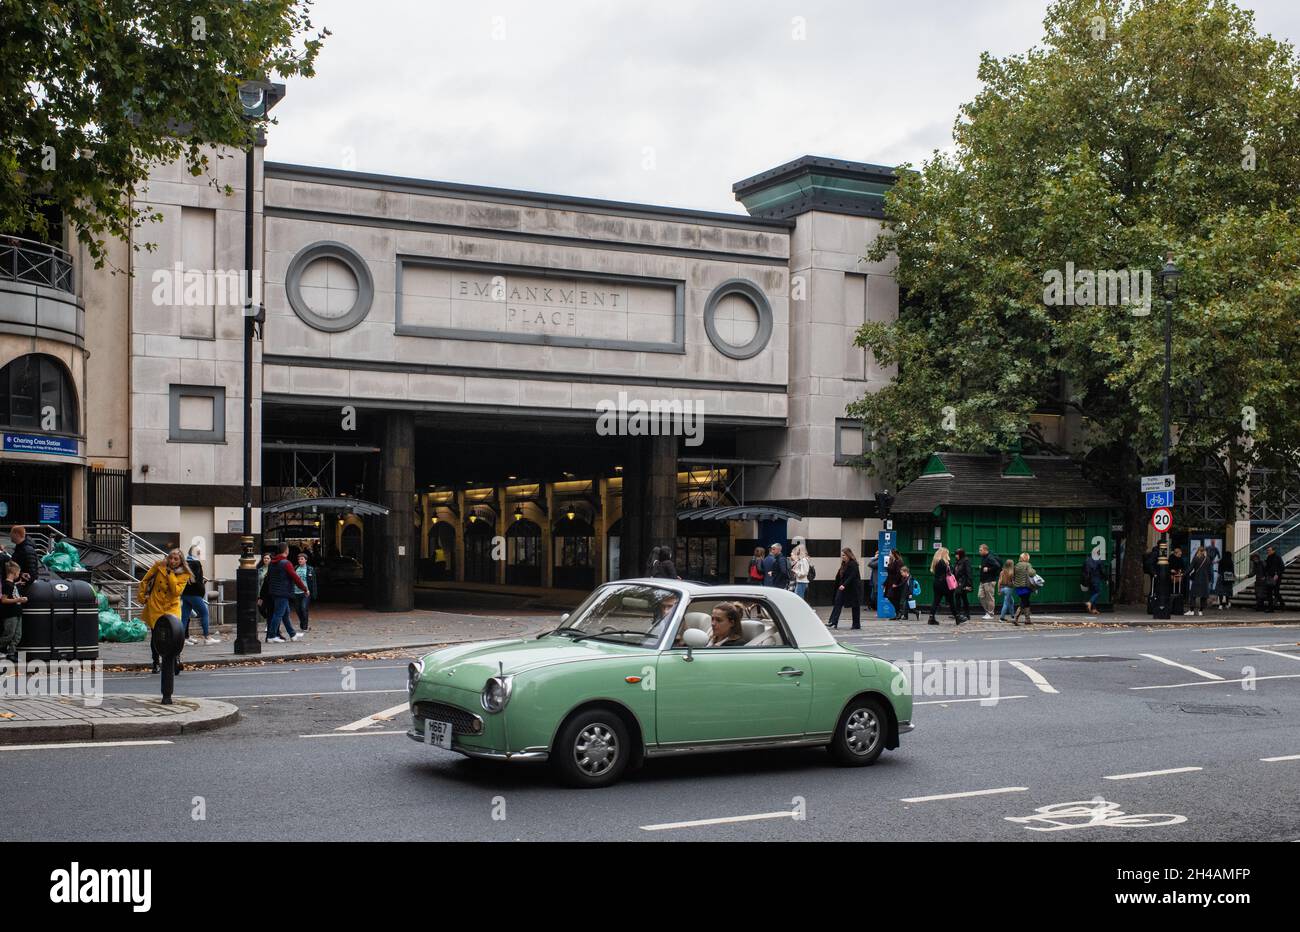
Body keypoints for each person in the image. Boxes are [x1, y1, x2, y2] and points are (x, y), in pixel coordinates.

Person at [138, 549, 192, 674]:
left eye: (176, 559)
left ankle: (176, 659)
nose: (172, 561)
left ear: (181, 561)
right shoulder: (159, 566)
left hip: (172, 606)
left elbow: (176, 591)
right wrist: (142, 597)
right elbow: (145, 580)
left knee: (176, 634)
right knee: (156, 635)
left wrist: (170, 574)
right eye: (170, 558)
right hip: (155, 604)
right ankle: (155, 663)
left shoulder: (184, 574)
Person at [258, 543, 309, 642]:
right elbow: (295, 577)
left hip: (273, 592)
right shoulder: (286, 563)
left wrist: (262, 595)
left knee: (285, 614)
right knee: (278, 614)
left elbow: (267, 579)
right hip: (283, 592)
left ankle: (292, 635)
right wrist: (305, 589)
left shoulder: (272, 563)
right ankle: (271, 636)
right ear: (286, 550)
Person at [180, 545, 216, 645]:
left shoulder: (185, 563)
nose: (200, 555)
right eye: (199, 552)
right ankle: (207, 637)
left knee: (185, 616)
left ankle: (181, 638)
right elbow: (195, 580)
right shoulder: (196, 563)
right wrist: (201, 586)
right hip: (194, 594)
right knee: (204, 613)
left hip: (185, 593)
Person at [928, 546, 965, 625]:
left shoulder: (936, 561)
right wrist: (949, 565)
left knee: (936, 601)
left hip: (937, 583)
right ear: (944, 554)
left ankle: (931, 617)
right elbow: (950, 572)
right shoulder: (943, 562)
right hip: (945, 584)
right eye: (947, 553)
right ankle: (957, 617)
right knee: (951, 601)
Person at [826, 548, 862, 629]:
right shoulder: (844, 564)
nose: (842, 557)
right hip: (844, 587)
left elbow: (852, 576)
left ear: (848, 555)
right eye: (842, 555)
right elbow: (840, 575)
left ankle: (856, 625)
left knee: (855, 606)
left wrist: (844, 585)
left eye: (844, 555)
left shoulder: (853, 564)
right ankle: (833, 622)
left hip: (853, 588)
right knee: (837, 603)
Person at [1, 561, 27, 663]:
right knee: (9, 634)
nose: (19, 574)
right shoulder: (7, 585)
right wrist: (18, 600)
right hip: (10, 614)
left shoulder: (11, 584)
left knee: (17, 635)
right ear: (14, 572)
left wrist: (18, 583)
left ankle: (11, 653)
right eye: (18, 572)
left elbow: (12, 588)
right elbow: (3, 599)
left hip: (17, 612)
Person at [291, 551, 318, 631]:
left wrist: (314, 593)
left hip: (306, 592)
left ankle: (305, 626)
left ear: (306, 560)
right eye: (299, 559)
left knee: (303, 608)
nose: (300, 560)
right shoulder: (295, 568)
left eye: (302, 559)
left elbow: (313, 582)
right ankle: (302, 622)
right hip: (296, 592)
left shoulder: (310, 569)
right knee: (298, 609)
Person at [1010, 552, 1038, 626]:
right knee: (1023, 602)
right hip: (1026, 587)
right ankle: (1015, 618)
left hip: (1018, 588)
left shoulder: (1016, 565)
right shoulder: (1027, 565)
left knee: (1026, 602)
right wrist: (1034, 571)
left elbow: (1012, 575)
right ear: (1026, 558)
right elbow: (1031, 573)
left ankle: (1027, 619)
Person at [1185, 545, 1211, 617]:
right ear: (1205, 551)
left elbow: (1190, 568)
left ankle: (1192, 610)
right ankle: (1200, 611)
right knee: (1203, 596)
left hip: (1197, 579)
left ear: (1198, 551)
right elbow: (1210, 570)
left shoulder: (1196, 558)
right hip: (1205, 579)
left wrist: (1184, 574)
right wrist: (1210, 579)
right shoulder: (1208, 559)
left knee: (1193, 595)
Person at [977, 544, 1000, 620]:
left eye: (980, 550)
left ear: (985, 550)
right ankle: (988, 612)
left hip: (989, 580)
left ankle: (990, 613)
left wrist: (988, 569)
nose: (979, 551)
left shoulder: (990, 557)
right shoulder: (984, 557)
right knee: (980, 596)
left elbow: (997, 565)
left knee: (989, 597)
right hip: (983, 580)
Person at [952, 548, 973, 620]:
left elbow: (968, 572)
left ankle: (966, 614)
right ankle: (958, 613)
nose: (956, 556)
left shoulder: (966, 561)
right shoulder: (957, 561)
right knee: (960, 597)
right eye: (955, 554)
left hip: (963, 582)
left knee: (962, 597)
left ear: (961, 554)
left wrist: (969, 584)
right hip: (957, 582)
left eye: (957, 554)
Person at [1263, 545, 1285, 612]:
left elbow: (1282, 567)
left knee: (1276, 592)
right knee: (1269, 593)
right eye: (1267, 550)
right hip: (1269, 577)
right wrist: (1264, 575)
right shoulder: (1268, 557)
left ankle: (1282, 605)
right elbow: (1267, 568)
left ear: (1273, 551)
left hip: (1276, 578)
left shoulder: (1278, 557)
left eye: (1269, 550)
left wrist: (1278, 574)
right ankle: (1270, 608)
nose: (1268, 552)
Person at [884, 550, 904, 617]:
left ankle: (899, 612)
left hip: (895, 583)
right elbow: (889, 574)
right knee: (891, 597)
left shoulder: (899, 562)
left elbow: (899, 574)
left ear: (893, 554)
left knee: (893, 597)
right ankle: (898, 612)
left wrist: (895, 583)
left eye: (890, 553)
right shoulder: (892, 561)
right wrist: (884, 583)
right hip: (890, 582)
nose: (889, 554)